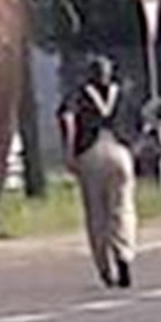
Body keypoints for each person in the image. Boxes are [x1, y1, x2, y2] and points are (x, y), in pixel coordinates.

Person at [58, 56, 136, 288]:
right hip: (119, 151)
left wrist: (69, 153)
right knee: (122, 208)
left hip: (90, 152)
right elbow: (139, 121)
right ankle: (124, 256)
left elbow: (67, 117)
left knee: (96, 214)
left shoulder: (79, 94)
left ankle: (105, 267)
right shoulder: (123, 93)